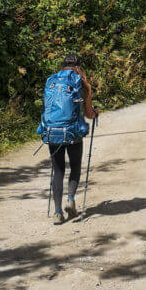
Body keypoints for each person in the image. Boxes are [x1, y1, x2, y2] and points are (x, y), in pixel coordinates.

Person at [47, 53, 98, 225]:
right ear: (79, 66)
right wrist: (95, 113)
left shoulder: (52, 82)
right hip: (73, 132)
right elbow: (89, 114)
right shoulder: (82, 84)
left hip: (53, 131)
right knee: (75, 166)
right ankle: (70, 199)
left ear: (63, 65)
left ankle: (57, 212)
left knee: (58, 169)